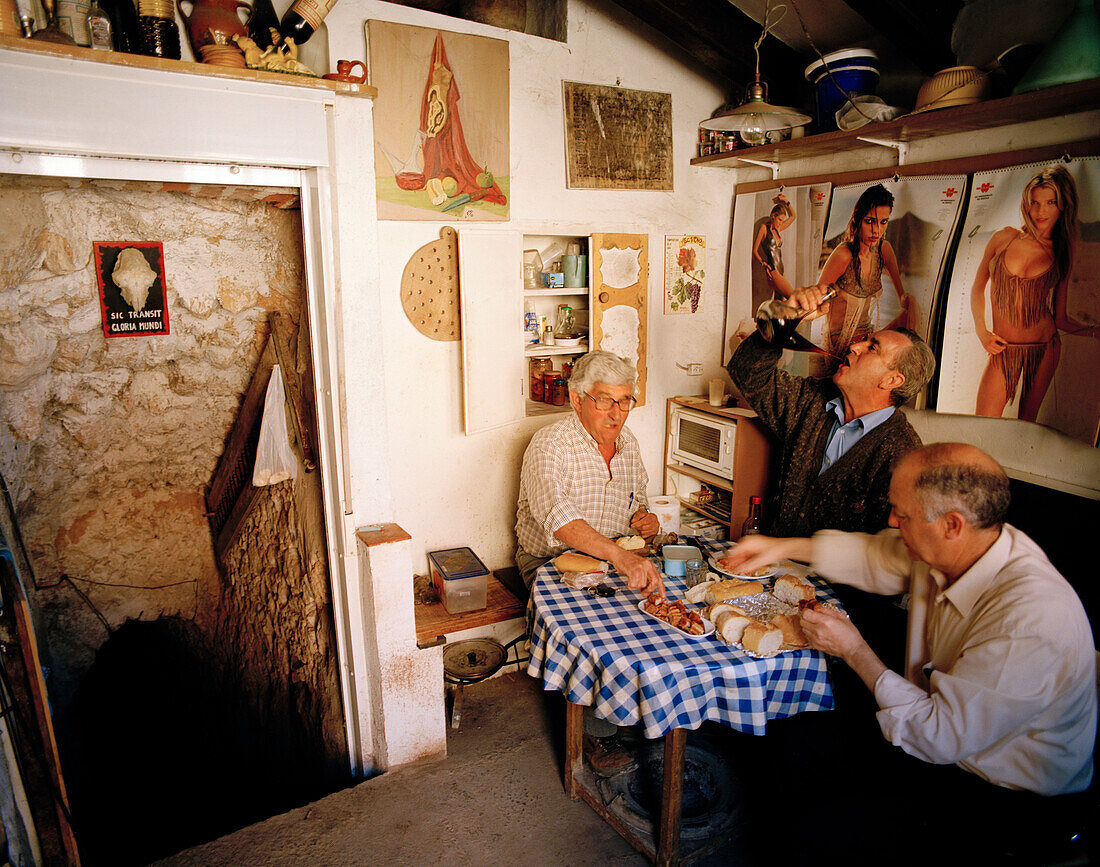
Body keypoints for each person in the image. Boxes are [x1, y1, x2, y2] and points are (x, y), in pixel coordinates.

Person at [724, 443, 1097, 862]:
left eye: (902, 514)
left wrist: (853, 649)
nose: (891, 520)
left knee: (823, 832)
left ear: (951, 525)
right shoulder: (963, 544)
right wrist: (778, 546)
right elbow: (875, 555)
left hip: (1008, 799)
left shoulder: (1030, 617)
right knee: (796, 743)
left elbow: (939, 736)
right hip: (941, 743)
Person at [728, 318, 935, 668]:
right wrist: (786, 319)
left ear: (892, 380)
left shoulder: (902, 454)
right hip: (775, 580)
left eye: (872, 348)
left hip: (842, 617)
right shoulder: (813, 401)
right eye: (864, 341)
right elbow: (747, 372)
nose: (854, 346)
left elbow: (890, 562)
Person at [515, 350, 663, 597]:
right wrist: (618, 556)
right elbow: (560, 521)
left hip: (613, 559)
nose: (616, 414)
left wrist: (646, 520)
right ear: (577, 399)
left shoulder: (628, 443)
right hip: (550, 563)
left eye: (624, 401)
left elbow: (637, 501)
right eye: (604, 400)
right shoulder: (550, 444)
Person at [970, 164, 1100, 421]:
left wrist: (1094, 331)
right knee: (982, 424)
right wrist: (982, 332)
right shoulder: (1004, 237)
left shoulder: (1062, 252)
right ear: (1026, 204)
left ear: (1063, 205)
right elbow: (977, 287)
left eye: (1050, 202)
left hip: (1044, 347)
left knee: (1025, 425)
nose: (1041, 211)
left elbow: (1060, 318)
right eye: (1035, 202)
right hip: (1003, 348)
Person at [811, 184, 914, 368]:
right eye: (870, 221)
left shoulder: (884, 250)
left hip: (868, 338)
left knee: (910, 321)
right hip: (842, 346)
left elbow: (902, 298)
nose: (876, 230)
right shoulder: (844, 254)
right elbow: (814, 299)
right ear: (858, 220)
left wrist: (907, 300)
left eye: (883, 222)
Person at [752, 193, 797, 298]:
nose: (781, 223)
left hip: (781, 270)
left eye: (782, 220)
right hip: (773, 270)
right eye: (780, 219)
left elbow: (793, 216)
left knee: (780, 305)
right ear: (773, 216)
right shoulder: (764, 228)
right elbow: (755, 251)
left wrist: (786, 201)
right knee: (793, 298)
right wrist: (763, 264)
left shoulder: (778, 229)